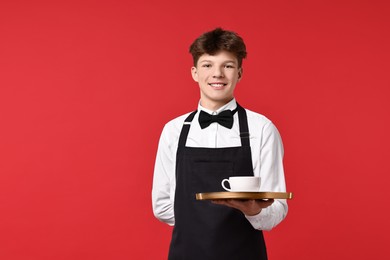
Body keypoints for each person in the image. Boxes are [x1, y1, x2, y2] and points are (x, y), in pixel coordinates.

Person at [152, 27, 288, 260]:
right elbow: (162, 205)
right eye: (207, 65)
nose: (218, 74)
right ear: (194, 72)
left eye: (228, 65)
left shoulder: (262, 129)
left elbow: (276, 208)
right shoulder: (173, 131)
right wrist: (197, 224)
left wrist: (253, 211)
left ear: (240, 73)